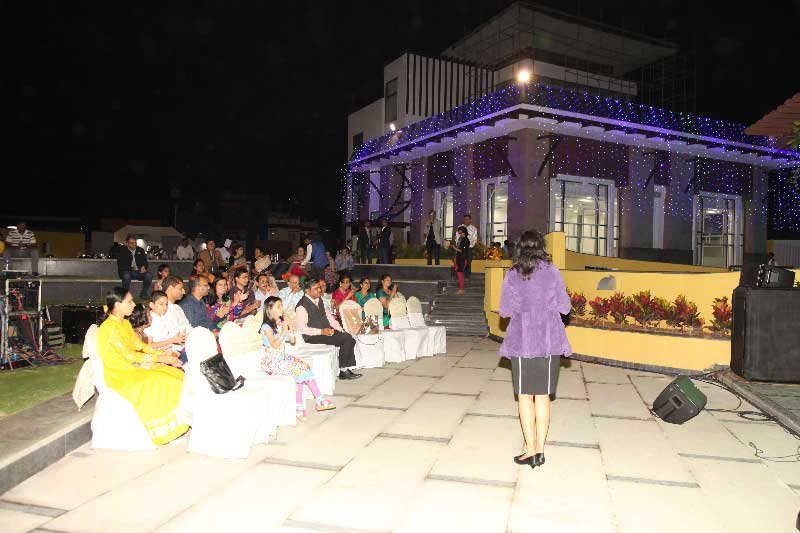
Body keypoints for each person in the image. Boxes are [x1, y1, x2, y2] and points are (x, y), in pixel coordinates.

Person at [498, 230, 571, 469]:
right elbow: (565, 306)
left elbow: (504, 311)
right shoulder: (552, 271)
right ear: (541, 247)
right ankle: (539, 450)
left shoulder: (512, 274)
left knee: (524, 396)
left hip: (522, 341)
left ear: (519, 248)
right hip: (549, 341)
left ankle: (529, 449)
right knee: (542, 396)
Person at [96, 288, 188, 445]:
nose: (133, 304)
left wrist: (163, 355)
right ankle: (165, 430)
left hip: (134, 366)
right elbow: (129, 356)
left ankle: (178, 423)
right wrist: (161, 358)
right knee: (163, 381)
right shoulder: (109, 328)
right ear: (117, 305)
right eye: (129, 301)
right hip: (120, 373)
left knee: (177, 376)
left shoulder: (124, 322)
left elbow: (140, 346)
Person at [260, 296, 335, 421]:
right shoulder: (266, 327)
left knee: (304, 367)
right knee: (301, 369)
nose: (282, 309)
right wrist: (284, 330)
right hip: (271, 361)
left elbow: (292, 341)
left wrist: (290, 328)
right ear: (269, 309)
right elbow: (274, 345)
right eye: (278, 306)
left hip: (281, 357)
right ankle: (319, 400)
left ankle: (301, 408)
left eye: (281, 306)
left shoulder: (279, 324)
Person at [295, 278, 361, 380]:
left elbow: (329, 318)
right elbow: (303, 329)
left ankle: (344, 369)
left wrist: (341, 329)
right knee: (346, 339)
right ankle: (343, 371)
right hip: (312, 336)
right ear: (307, 291)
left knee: (349, 337)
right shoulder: (302, 306)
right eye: (316, 288)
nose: (320, 290)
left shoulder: (319, 300)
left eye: (319, 287)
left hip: (325, 331)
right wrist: (321, 331)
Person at [157, 275, 191, 362]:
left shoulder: (177, 307)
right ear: (170, 288)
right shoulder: (162, 309)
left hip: (186, 345)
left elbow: (188, 327)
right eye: (180, 288)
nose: (184, 291)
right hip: (174, 350)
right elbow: (171, 337)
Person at [117, 235, 152, 299]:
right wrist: (130, 268)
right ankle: (125, 295)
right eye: (132, 243)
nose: (134, 244)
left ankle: (143, 293)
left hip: (138, 272)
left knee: (148, 275)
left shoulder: (140, 250)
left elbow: (145, 262)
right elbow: (120, 265)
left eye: (135, 242)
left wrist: (143, 267)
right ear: (127, 244)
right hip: (127, 271)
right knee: (126, 276)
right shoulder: (122, 251)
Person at [449, 225, 470, 294]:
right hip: (459, 258)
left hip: (462, 259)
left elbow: (462, 251)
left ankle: (461, 289)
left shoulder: (466, 240)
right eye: (459, 233)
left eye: (461, 233)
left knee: (460, 273)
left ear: (464, 232)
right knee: (459, 274)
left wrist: (454, 248)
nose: (460, 234)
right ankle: (461, 288)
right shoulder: (461, 239)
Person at [461, 214, 479, 280]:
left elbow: (474, 239)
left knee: (468, 262)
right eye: (465, 219)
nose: (466, 221)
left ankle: (467, 276)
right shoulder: (460, 227)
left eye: (468, 219)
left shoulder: (474, 229)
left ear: (470, 220)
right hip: (461, 248)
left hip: (469, 248)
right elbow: (457, 238)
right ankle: (461, 275)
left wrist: (469, 244)